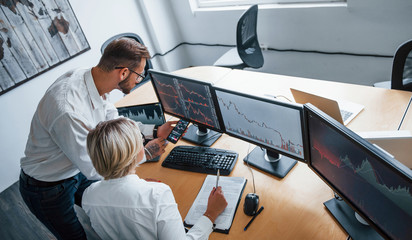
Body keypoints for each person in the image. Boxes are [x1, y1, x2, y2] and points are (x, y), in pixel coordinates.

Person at [19, 37, 176, 240]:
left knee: (109, 209)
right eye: (139, 75)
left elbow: (113, 122)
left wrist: (154, 131)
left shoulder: (94, 79)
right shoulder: (68, 110)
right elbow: (97, 168)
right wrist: (144, 154)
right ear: (123, 72)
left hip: (77, 168)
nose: (139, 79)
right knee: (74, 236)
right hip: (47, 186)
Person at [82, 118, 228, 239]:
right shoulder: (157, 194)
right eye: (140, 139)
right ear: (135, 151)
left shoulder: (89, 195)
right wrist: (211, 213)